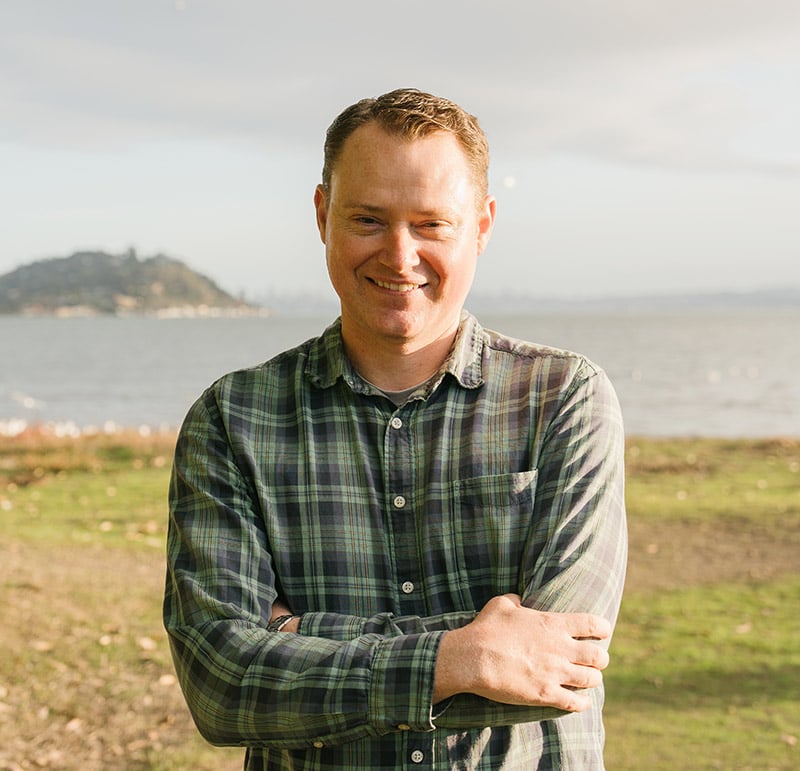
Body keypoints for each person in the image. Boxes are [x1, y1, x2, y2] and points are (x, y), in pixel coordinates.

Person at [164, 87, 627, 770]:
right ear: (323, 215)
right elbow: (222, 686)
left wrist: (297, 639)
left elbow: (556, 672)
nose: (399, 255)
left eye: (432, 224)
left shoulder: (566, 399)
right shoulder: (234, 419)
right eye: (369, 219)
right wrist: (461, 655)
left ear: (482, 226)